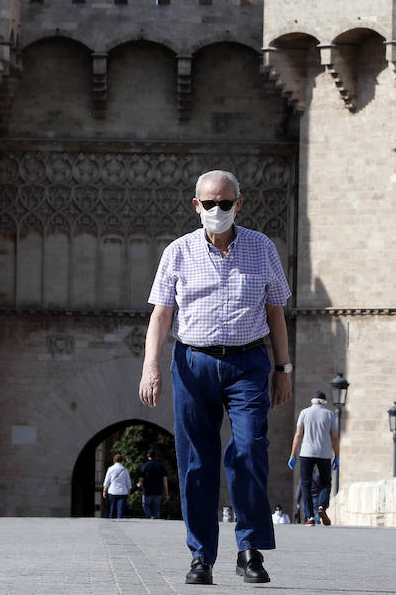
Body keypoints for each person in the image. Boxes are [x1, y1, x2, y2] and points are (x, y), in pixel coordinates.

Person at [139, 169, 292, 586]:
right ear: (196, 205)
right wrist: (151, 364)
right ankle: (201, 556)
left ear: (239, 204)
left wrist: (283, 369)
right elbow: (161, 314)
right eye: (210, 203)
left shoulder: (262, 249)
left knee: (249, 450)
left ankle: (250, 549)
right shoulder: (178, 252)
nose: (218, 209)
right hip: (193, 363)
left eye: (226, 202)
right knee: (195, 462)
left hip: (248, 364)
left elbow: (276, 311)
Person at [288, 390, 339, 526]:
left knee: (306, 484)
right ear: (324, 402)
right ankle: (322, 506)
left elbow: (298, 435)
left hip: (306, 452)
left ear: (312, 401)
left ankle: (310, 516)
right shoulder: (330, 415)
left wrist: (293, 454)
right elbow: (334, 438)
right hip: (324, 454)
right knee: (326, 482)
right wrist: (337, 456)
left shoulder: (304, 413)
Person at [137, 450, 170, 519]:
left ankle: (149, 517)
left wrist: (139, 484)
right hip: (158, 490)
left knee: (145, 505)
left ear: (148, 456)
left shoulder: (145, 465)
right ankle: (156, 522)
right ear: (156, 456)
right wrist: (166, 493)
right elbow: (165, 480)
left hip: (147, 490)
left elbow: (141, 478)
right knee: (157, 509)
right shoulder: (161, 465)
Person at [103, 453, 132, 519]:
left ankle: (111, 521)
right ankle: (120, 521)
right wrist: (129, 492)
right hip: (122, 492)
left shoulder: (110, 469)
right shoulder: (125, 470)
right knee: (120, 509)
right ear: (122, 461)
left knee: (112, 508)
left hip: (112, 491)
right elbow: (128, 482)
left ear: (114, 460)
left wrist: (104, 491)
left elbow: (107, 480)